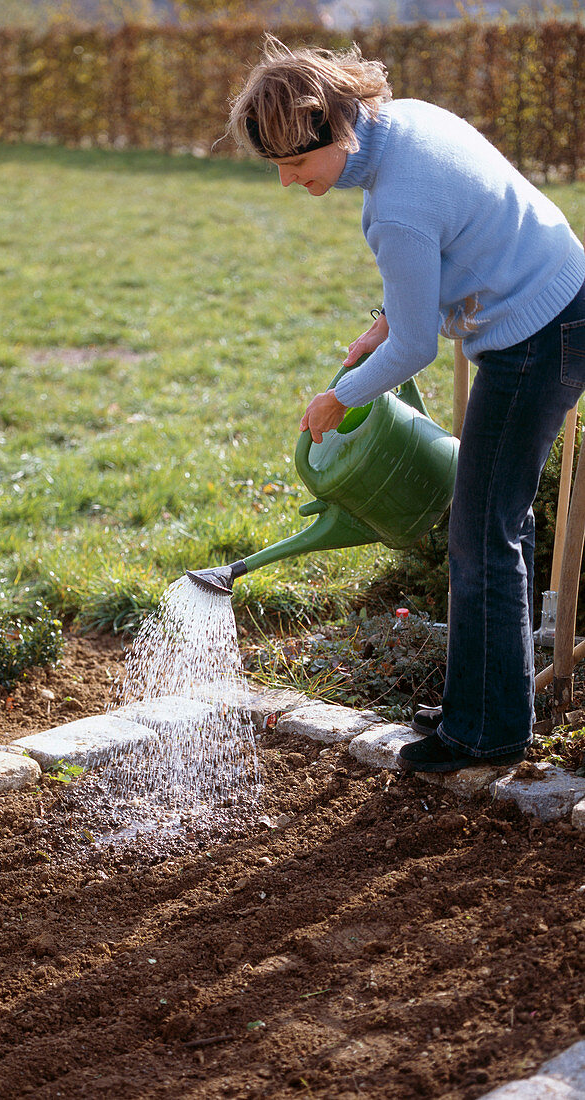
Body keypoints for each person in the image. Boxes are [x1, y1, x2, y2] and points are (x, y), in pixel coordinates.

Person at [228, 35, 585, 773]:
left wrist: (337, 399)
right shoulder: (409, 123)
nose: (289, 182)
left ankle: (484, 733)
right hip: (560, 298)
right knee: (492, 524)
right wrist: (382, 322)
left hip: (539, 334)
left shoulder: (396, 206)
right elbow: (453, 249)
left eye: (296, 164)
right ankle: (485, 706)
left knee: (483, 532)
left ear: (333, 130)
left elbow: (418, 347)